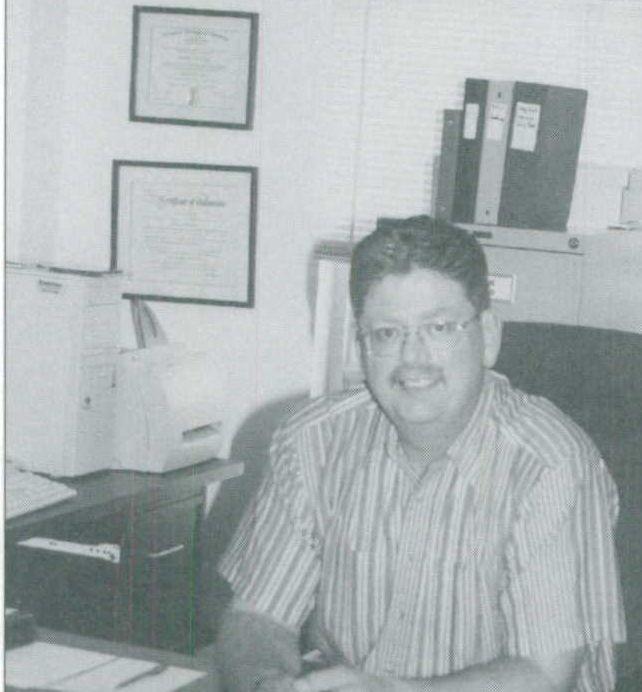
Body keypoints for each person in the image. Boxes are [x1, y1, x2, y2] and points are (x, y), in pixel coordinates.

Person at [216, 216, 625, 691]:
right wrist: (267, 682)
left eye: (439, 327)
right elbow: (256, 617)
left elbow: (545, 674)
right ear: (361, 346)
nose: (413, 358)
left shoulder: (549, 463)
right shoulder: (311, 442)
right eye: (387, 333)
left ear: (488, 336)